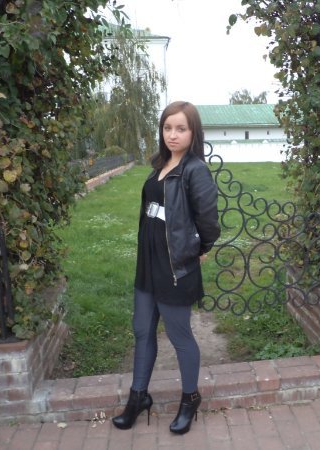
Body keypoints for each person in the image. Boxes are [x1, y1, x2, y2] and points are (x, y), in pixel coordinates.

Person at [112, 101, 220, 435]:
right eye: (167, 128)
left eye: (181, 129)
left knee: (179, 334)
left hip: (175, 266)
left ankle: (190, 398)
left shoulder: (194, 170)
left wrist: (200, 248)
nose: (172, 135)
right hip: (148, 261)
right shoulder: (160, 164)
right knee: (142, 330)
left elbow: (208, 220)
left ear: (193, 132)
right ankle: (138, 397)